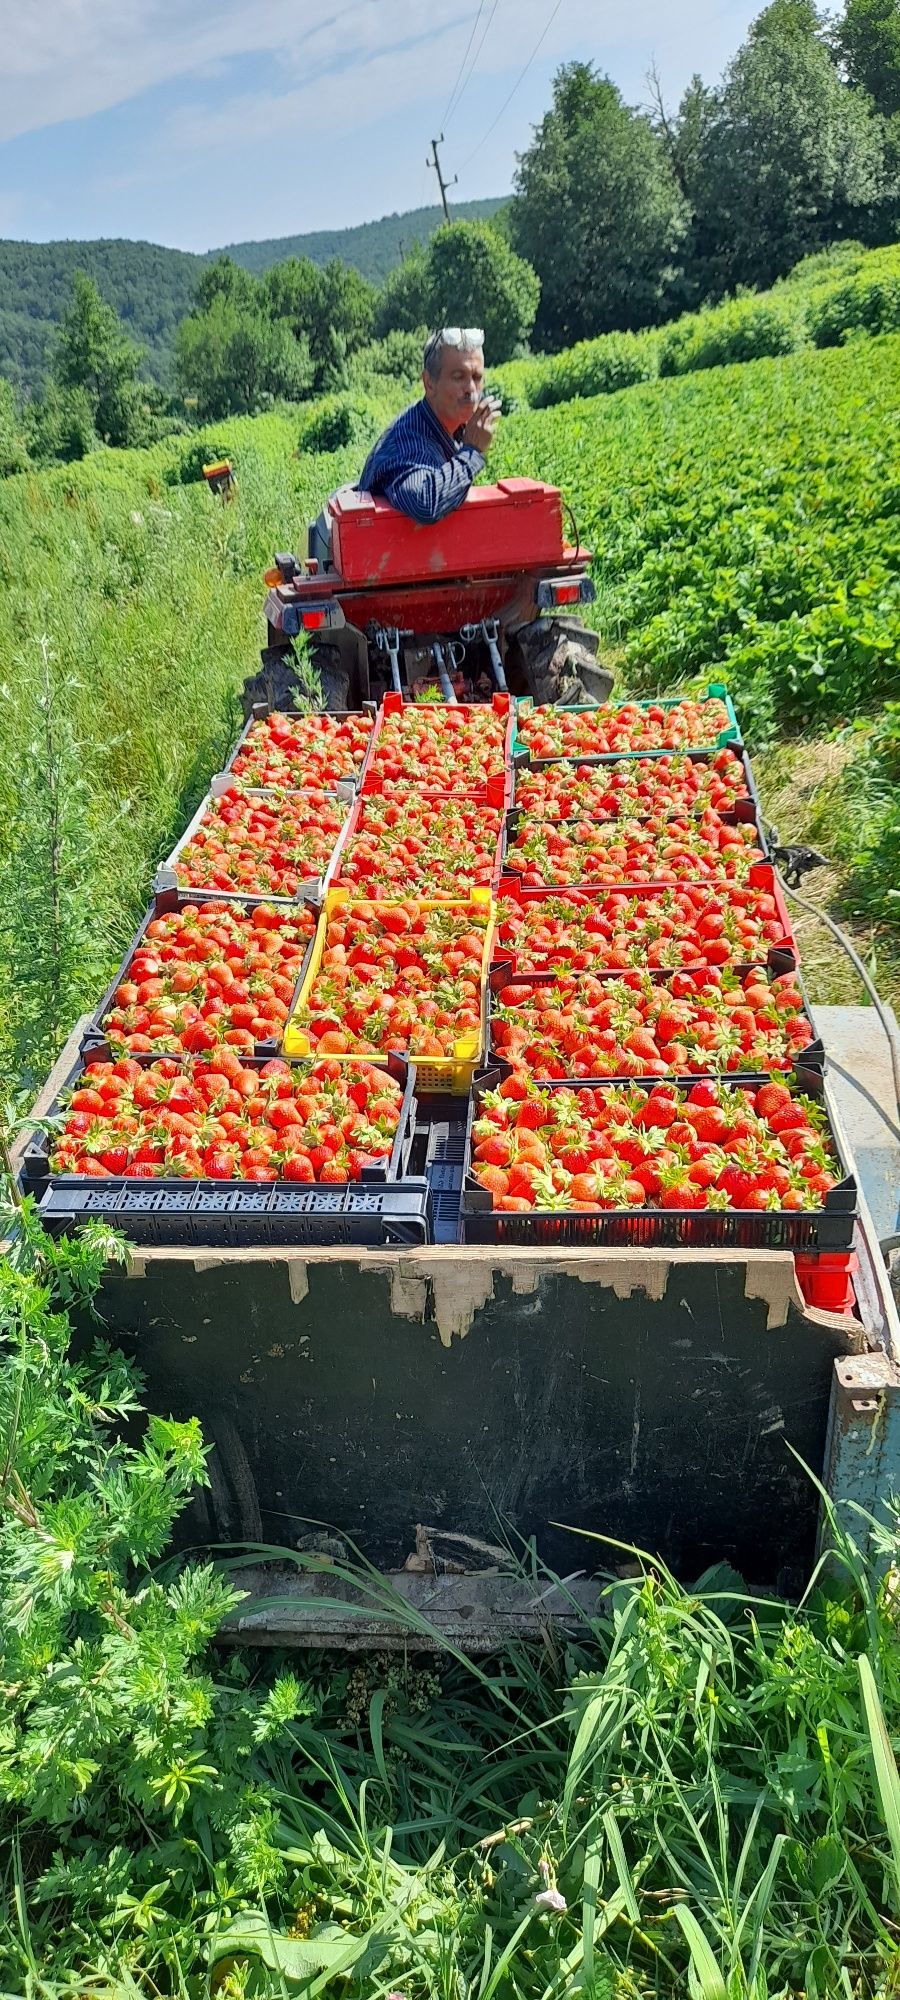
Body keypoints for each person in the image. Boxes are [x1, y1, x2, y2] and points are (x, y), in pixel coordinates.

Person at [356, 326, 501, 523]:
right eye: (458, 377)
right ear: (429, 383)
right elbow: (424, 502)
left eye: (477, 377)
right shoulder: (408, 441)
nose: (471, 389)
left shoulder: (455, 428)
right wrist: (472, 452)